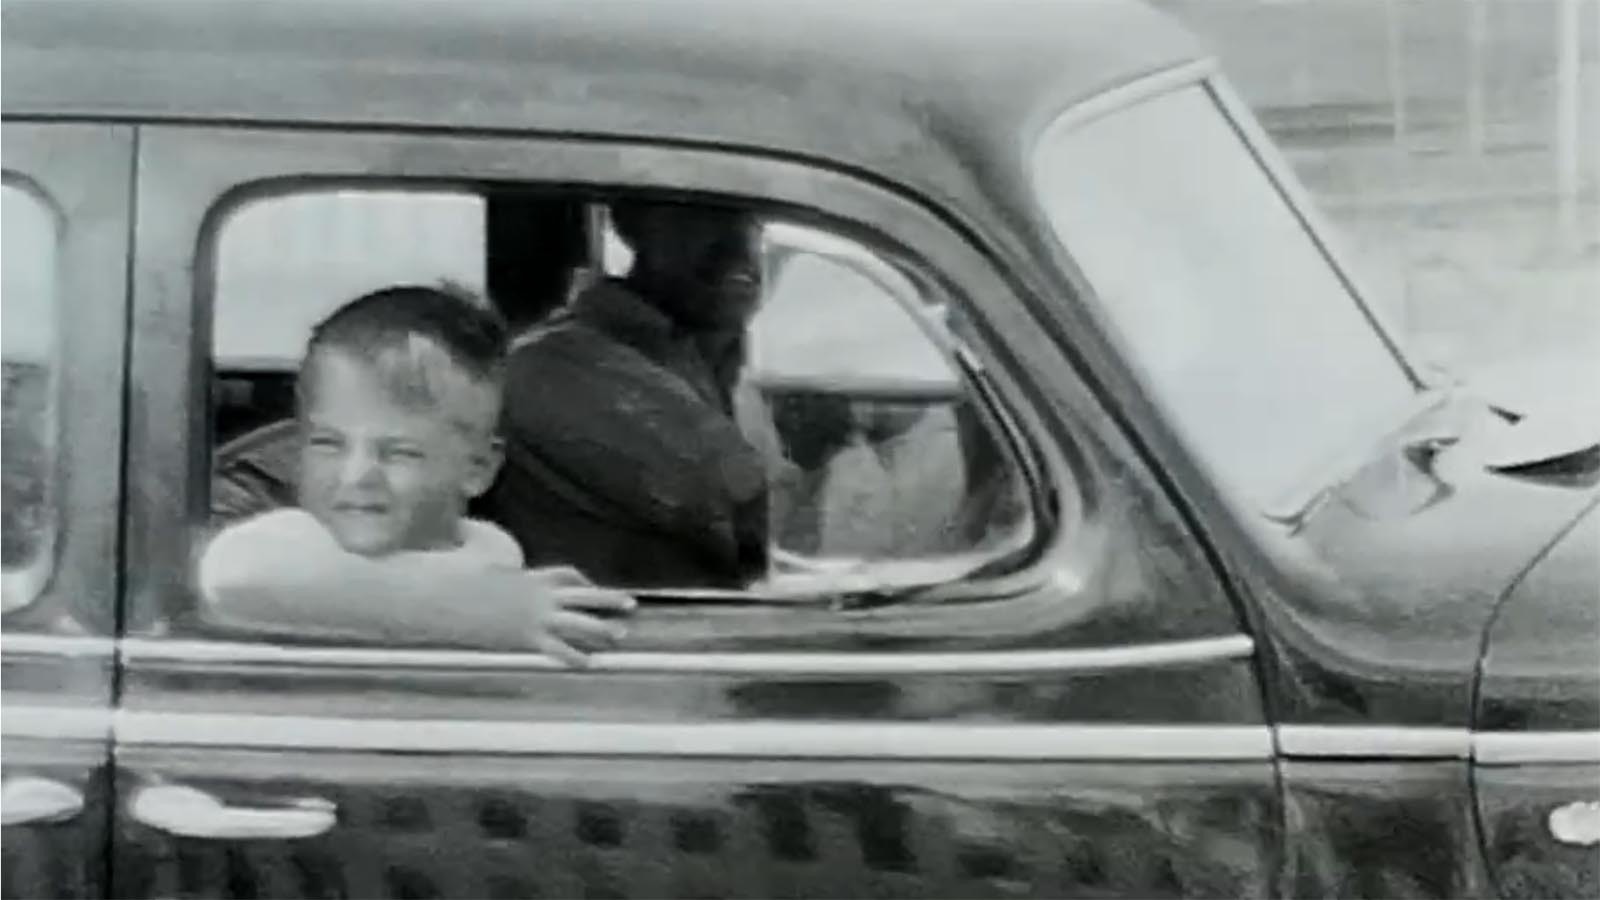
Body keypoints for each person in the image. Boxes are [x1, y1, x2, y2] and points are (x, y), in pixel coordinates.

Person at [200, 285, 634, 663]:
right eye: (328, 444)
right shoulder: (290, 540)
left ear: (478, 469)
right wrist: (476, 613)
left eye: (400, 453)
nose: (356, 476)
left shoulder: (488, 549)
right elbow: (233, 575)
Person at [474, 200, 771, 589]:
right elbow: (762, 517)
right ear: (631, 223)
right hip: (623, 639)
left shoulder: (711, 360)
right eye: (706, 210)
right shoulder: (556, 367)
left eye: (755, 220)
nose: (740, 241)